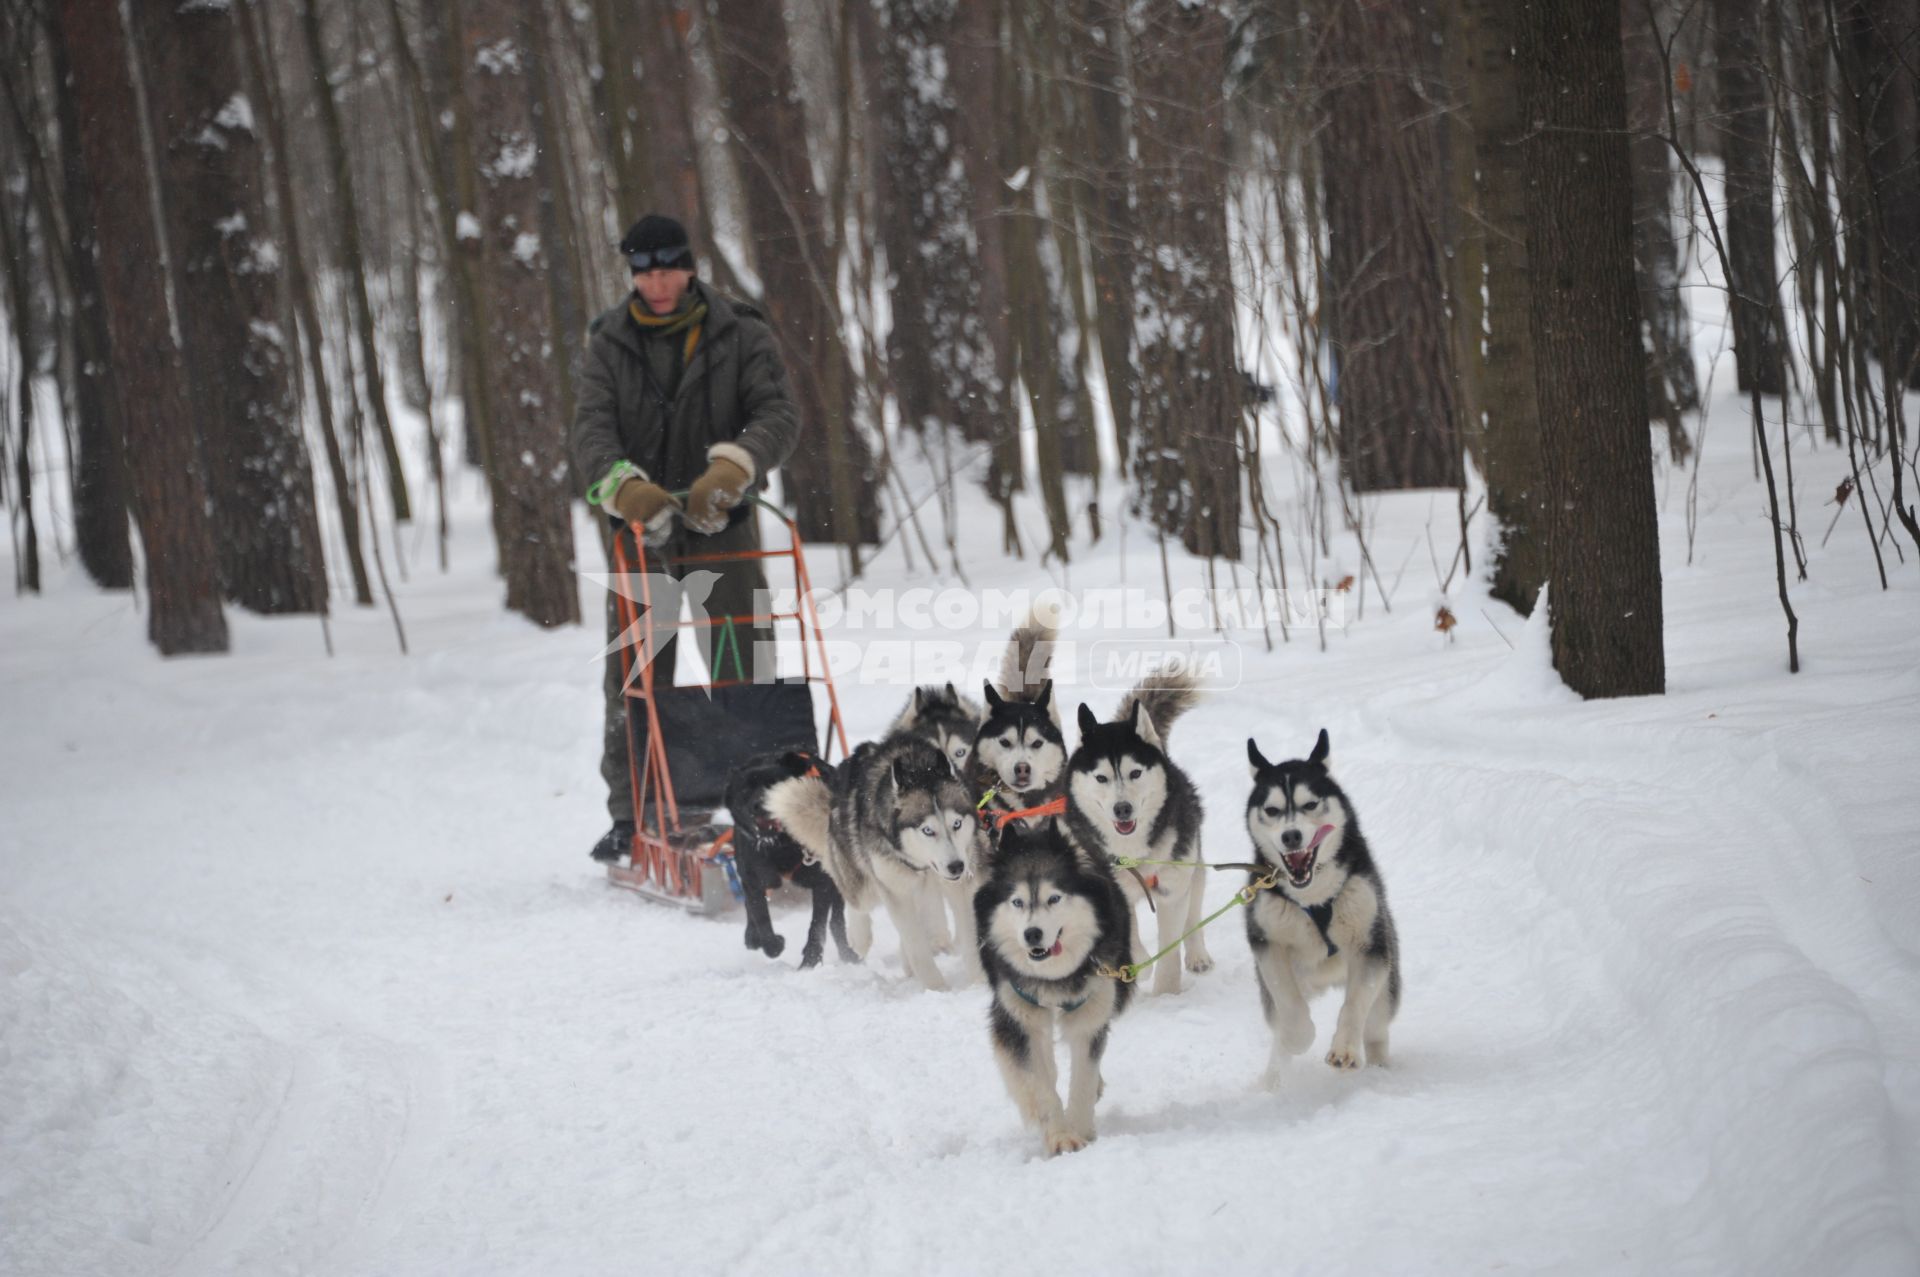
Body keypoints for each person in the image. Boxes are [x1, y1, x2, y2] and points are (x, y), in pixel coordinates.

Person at [572, 214, 800, 862]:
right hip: (642, 535)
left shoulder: (739, 331)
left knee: (744, 661)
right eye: (644, 270)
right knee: (637, 674)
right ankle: (634, 811)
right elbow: (590, 433)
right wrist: (626, 488)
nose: (657, 281)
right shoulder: (608, 344)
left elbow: (778, 412)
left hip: (722, 526)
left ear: (691, 266)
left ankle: (765, 806)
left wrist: (734, 465)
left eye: (668, 266)